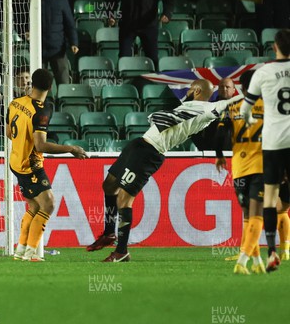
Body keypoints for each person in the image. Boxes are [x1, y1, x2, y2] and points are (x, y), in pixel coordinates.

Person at [88, 79, 242, 262]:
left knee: (124, 199)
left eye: (192, 87)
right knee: (109, 185)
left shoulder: (207, 109)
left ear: (198, 90)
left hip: (151, 152)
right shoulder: (188, 105)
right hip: (139, 144)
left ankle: (121, 252)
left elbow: (228, 103)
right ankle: (108, 233)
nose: (189, 90)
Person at [7, 68, 88, 261]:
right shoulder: (42, 110)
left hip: (16, 161)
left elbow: (9, 133)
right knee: (49, 204)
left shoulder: (15, 103)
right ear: (51, 87)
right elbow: (41, 144)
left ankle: (21, 251)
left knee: (35, 207)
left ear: (32, 83)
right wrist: (70, 149)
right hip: (31, 165)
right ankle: (32, 253)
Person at [240, 29, 290, 272]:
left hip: (273, 143)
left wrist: (249, 121)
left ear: (274, 47)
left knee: (269, 200)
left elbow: (244, 110)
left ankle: (271, 252)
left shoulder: (264, 72)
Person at [214, 71, 267, 274]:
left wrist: (219, 156)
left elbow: (219, 135)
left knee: (247, 215)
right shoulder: (269, 107)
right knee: (257, 215)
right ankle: (242, 262)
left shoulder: (232, 107)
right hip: (261, 166)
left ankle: (257, 262)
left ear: (241, 88)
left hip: (239, 168)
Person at [105, 0, 174, 69]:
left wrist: (167, 13)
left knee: (152, 59)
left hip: (149, 24)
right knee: (124, 58)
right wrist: (110, 14)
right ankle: (124, 84)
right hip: (128, 23)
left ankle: (152, 84)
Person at [37, 0, 79, 85]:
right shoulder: (33, 0)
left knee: (64, 83)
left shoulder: (62, 0)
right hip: (39, 51)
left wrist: (73, 42)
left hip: (58, 50)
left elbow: (70, 24)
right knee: (41, 85)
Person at [192, 77, 236, 151]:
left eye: (227, 87)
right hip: (211, 154)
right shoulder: (208, 107)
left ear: (234, 90)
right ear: (218, 89)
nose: (224, 89)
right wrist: (204, 148)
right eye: (221, 87)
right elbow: (194, 131)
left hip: (234, 154)